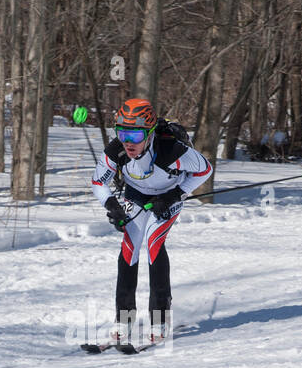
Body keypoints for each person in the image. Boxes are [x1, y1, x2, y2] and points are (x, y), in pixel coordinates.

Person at [89, 98, 212, 345]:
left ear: (149, 133)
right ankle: (124, 319)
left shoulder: (171, 151)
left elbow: (204, 170)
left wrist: (175, 194)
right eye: (122, 133)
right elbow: (98, 182)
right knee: (129, 246)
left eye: (135, 135)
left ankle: (159, 319)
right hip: (135, 194)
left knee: (153, 243)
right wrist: (112, 206)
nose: (128, 142)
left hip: (168, 196)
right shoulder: (117, 150)